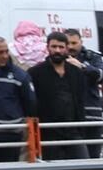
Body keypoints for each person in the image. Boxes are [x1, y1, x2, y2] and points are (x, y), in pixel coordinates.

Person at [28, 30, 92, 159]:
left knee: (84, 166)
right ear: (47, 47)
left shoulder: (76, 72)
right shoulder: (35, 73)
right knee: (53, 169)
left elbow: (80, 100)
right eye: (54, 46)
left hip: (73, 130)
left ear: (67, 48)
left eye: (61, 47)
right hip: (48, 131)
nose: (57, 50)